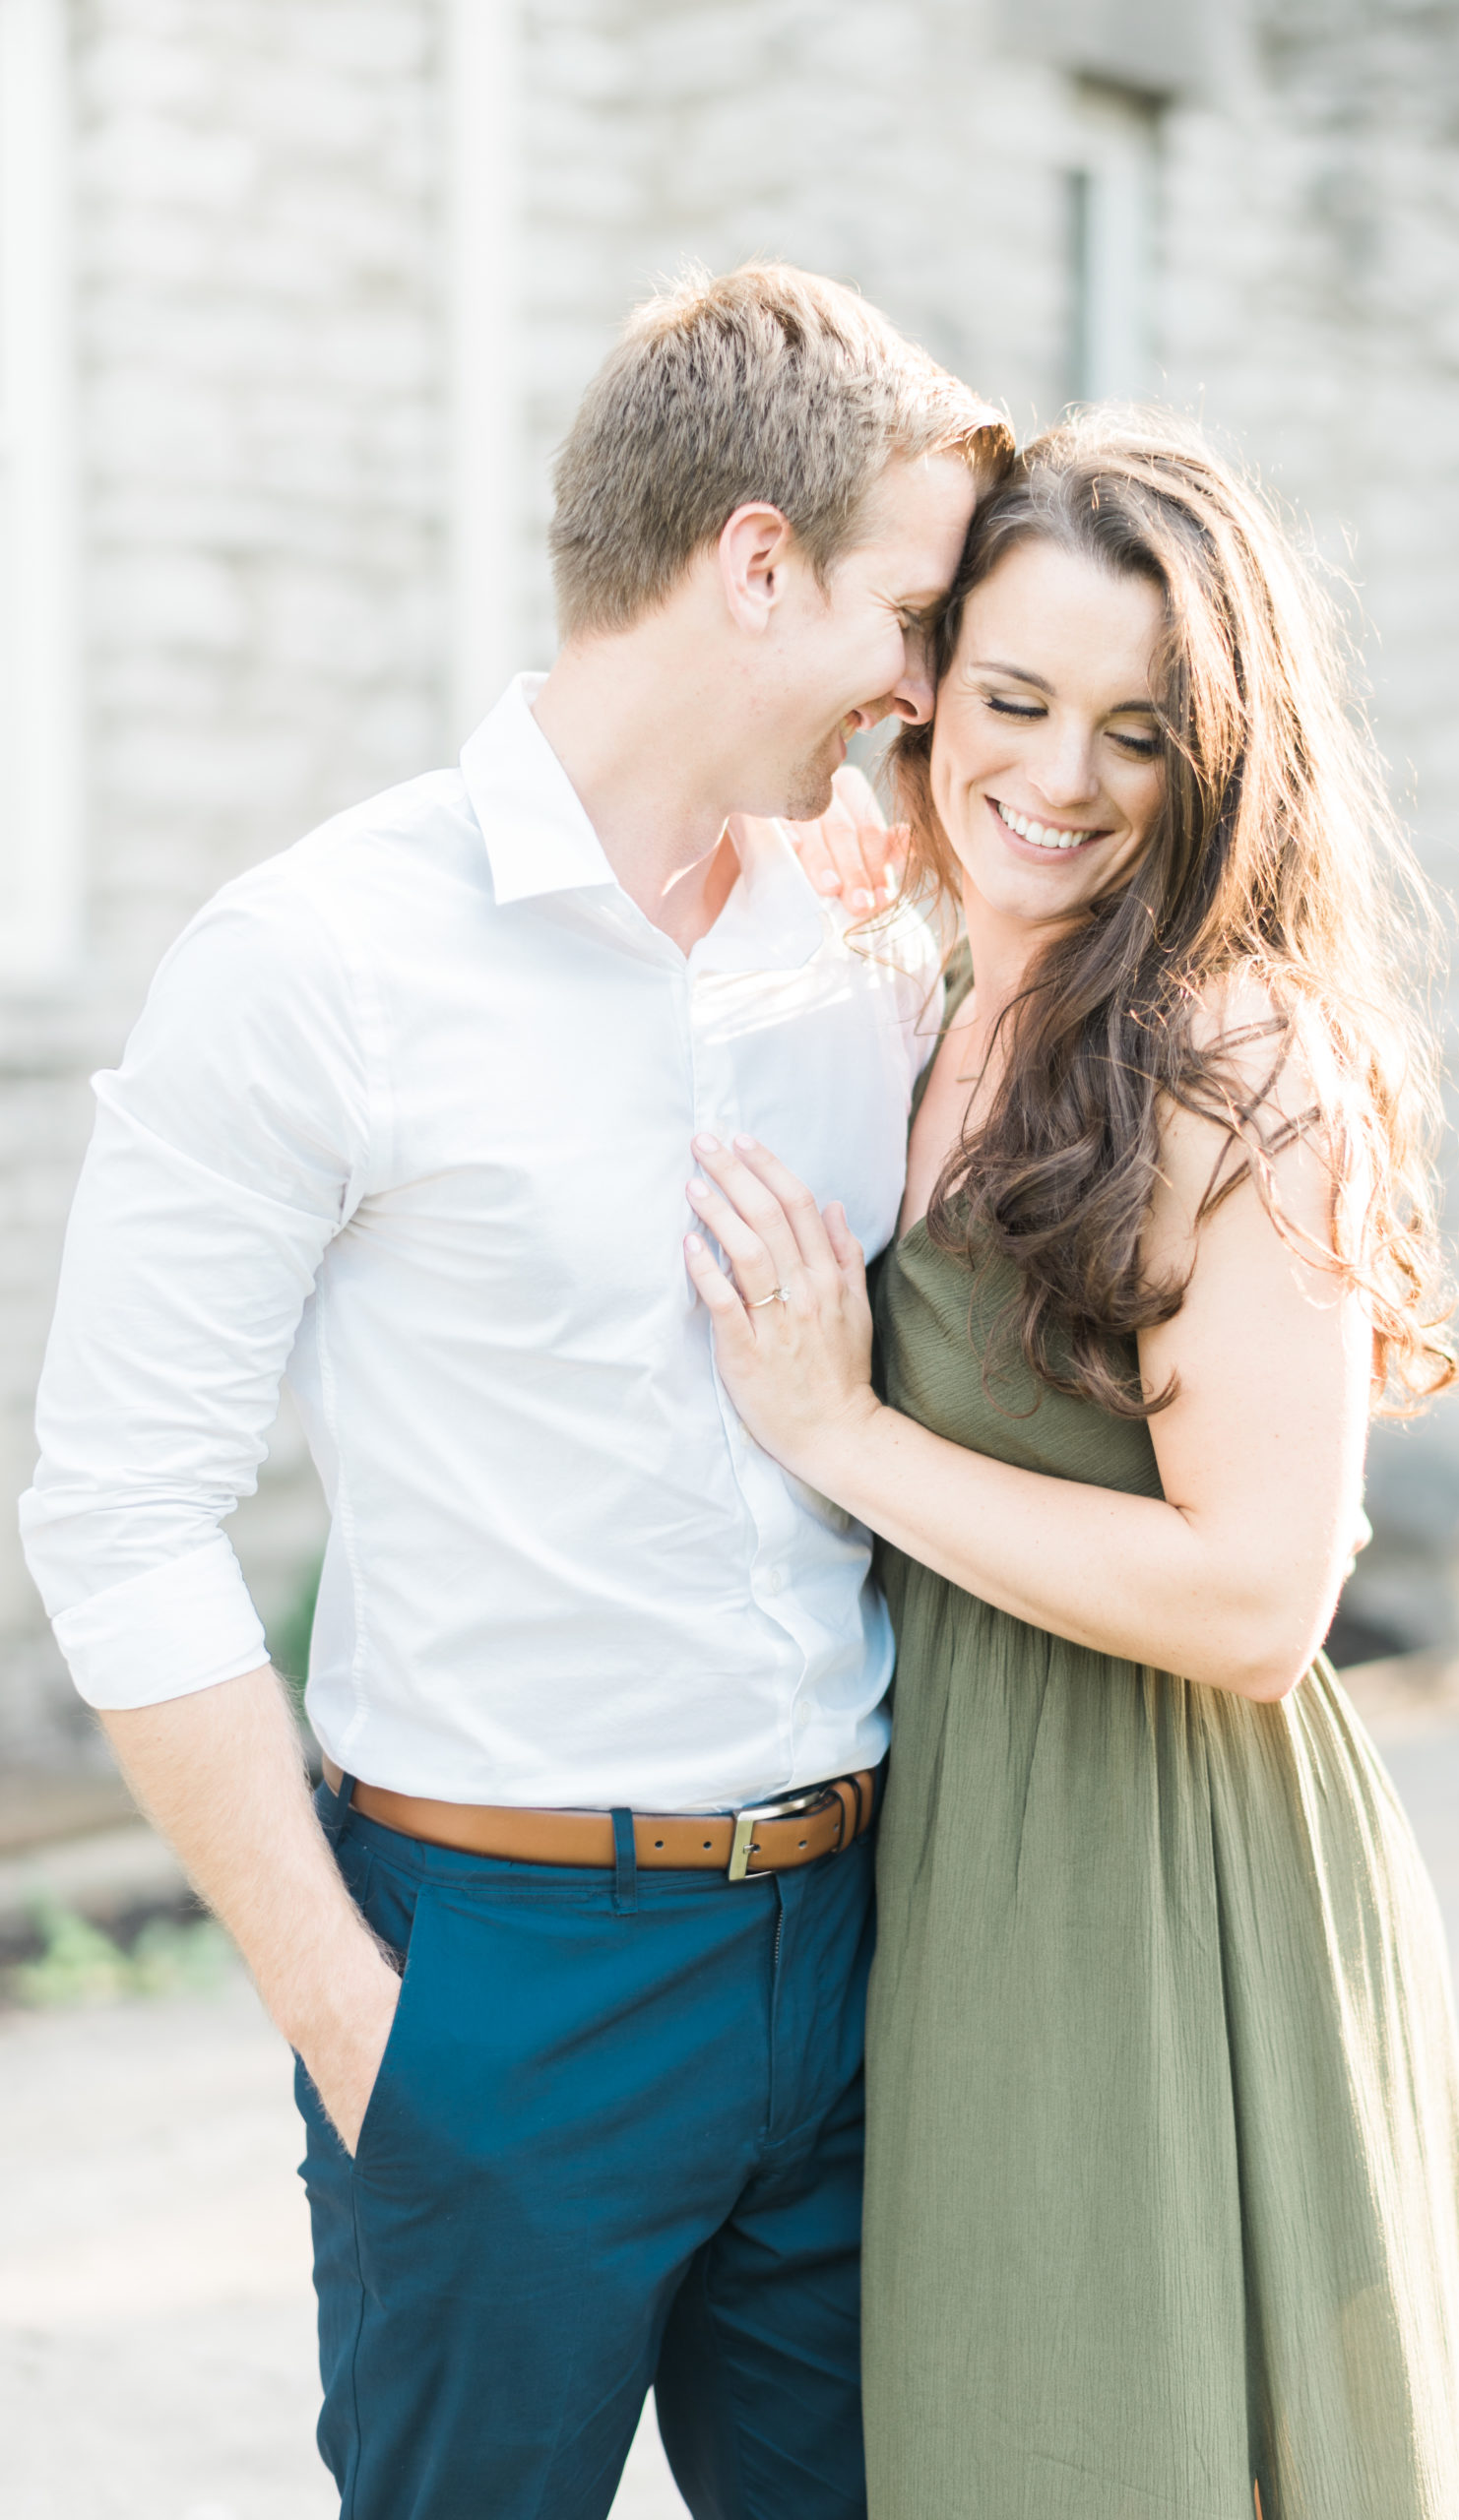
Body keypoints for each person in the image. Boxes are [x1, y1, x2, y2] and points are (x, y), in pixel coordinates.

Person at [19, 264, 1008, 2520]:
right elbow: (117, 1508)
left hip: (854, 1948)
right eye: (911, 613)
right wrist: (360, 2028)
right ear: (757, 562)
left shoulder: (870, 929)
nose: (928, 687)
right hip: (492, 1983)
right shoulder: (316, 959)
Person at [681, 414, 1459, 2520]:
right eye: (1016, 701)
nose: (1058, 780)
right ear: (930, 690)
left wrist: (841, 1429)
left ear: (1219, 759)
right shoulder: (948, 978)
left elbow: (1257, 1598)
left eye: (1138, 731)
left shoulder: (1234, 1056)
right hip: (959, 1851)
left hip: (1161, 1871)